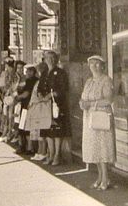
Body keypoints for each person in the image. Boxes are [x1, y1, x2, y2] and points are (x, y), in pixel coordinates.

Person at [79, 54, 115, 190]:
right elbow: (83, 98)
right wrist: (82, 103)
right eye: (91, 63)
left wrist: (91, 104)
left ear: (103, 66)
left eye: (97, 63)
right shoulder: (89, 81)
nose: (94, 66)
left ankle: (106, 178)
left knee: (103, 147)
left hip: (102, 117)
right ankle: (100, 177)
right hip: (89, 118)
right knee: (94, 147)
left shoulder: (106, 80)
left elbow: (109, 100)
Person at [38, 50, 71, 166]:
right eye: (48, 58)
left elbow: (63, 89)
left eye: (53, 58)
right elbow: (40, 88)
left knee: (57, 131)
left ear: (56, 59)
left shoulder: (61, 72)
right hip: (46, 105)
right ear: (45, 60)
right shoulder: (44, 73)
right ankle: (50, 154)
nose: (50, 60)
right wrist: (41, 95)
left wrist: (49, 96)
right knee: (47, 131)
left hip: (57, 106)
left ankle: (57, 155)